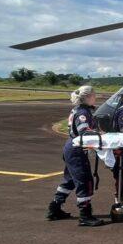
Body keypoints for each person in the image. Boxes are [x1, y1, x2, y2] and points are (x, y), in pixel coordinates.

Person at [46, 85, 106, 227]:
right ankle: (85, 215)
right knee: (84, 180)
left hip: (72, 148)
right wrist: (100, 135)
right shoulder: (83, 112)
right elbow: (84, 131)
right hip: (76, 150)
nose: (95, 97)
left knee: (70, 180)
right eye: (94, 95)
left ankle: (54, 208)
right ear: (87, 97)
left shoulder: (79, 110)